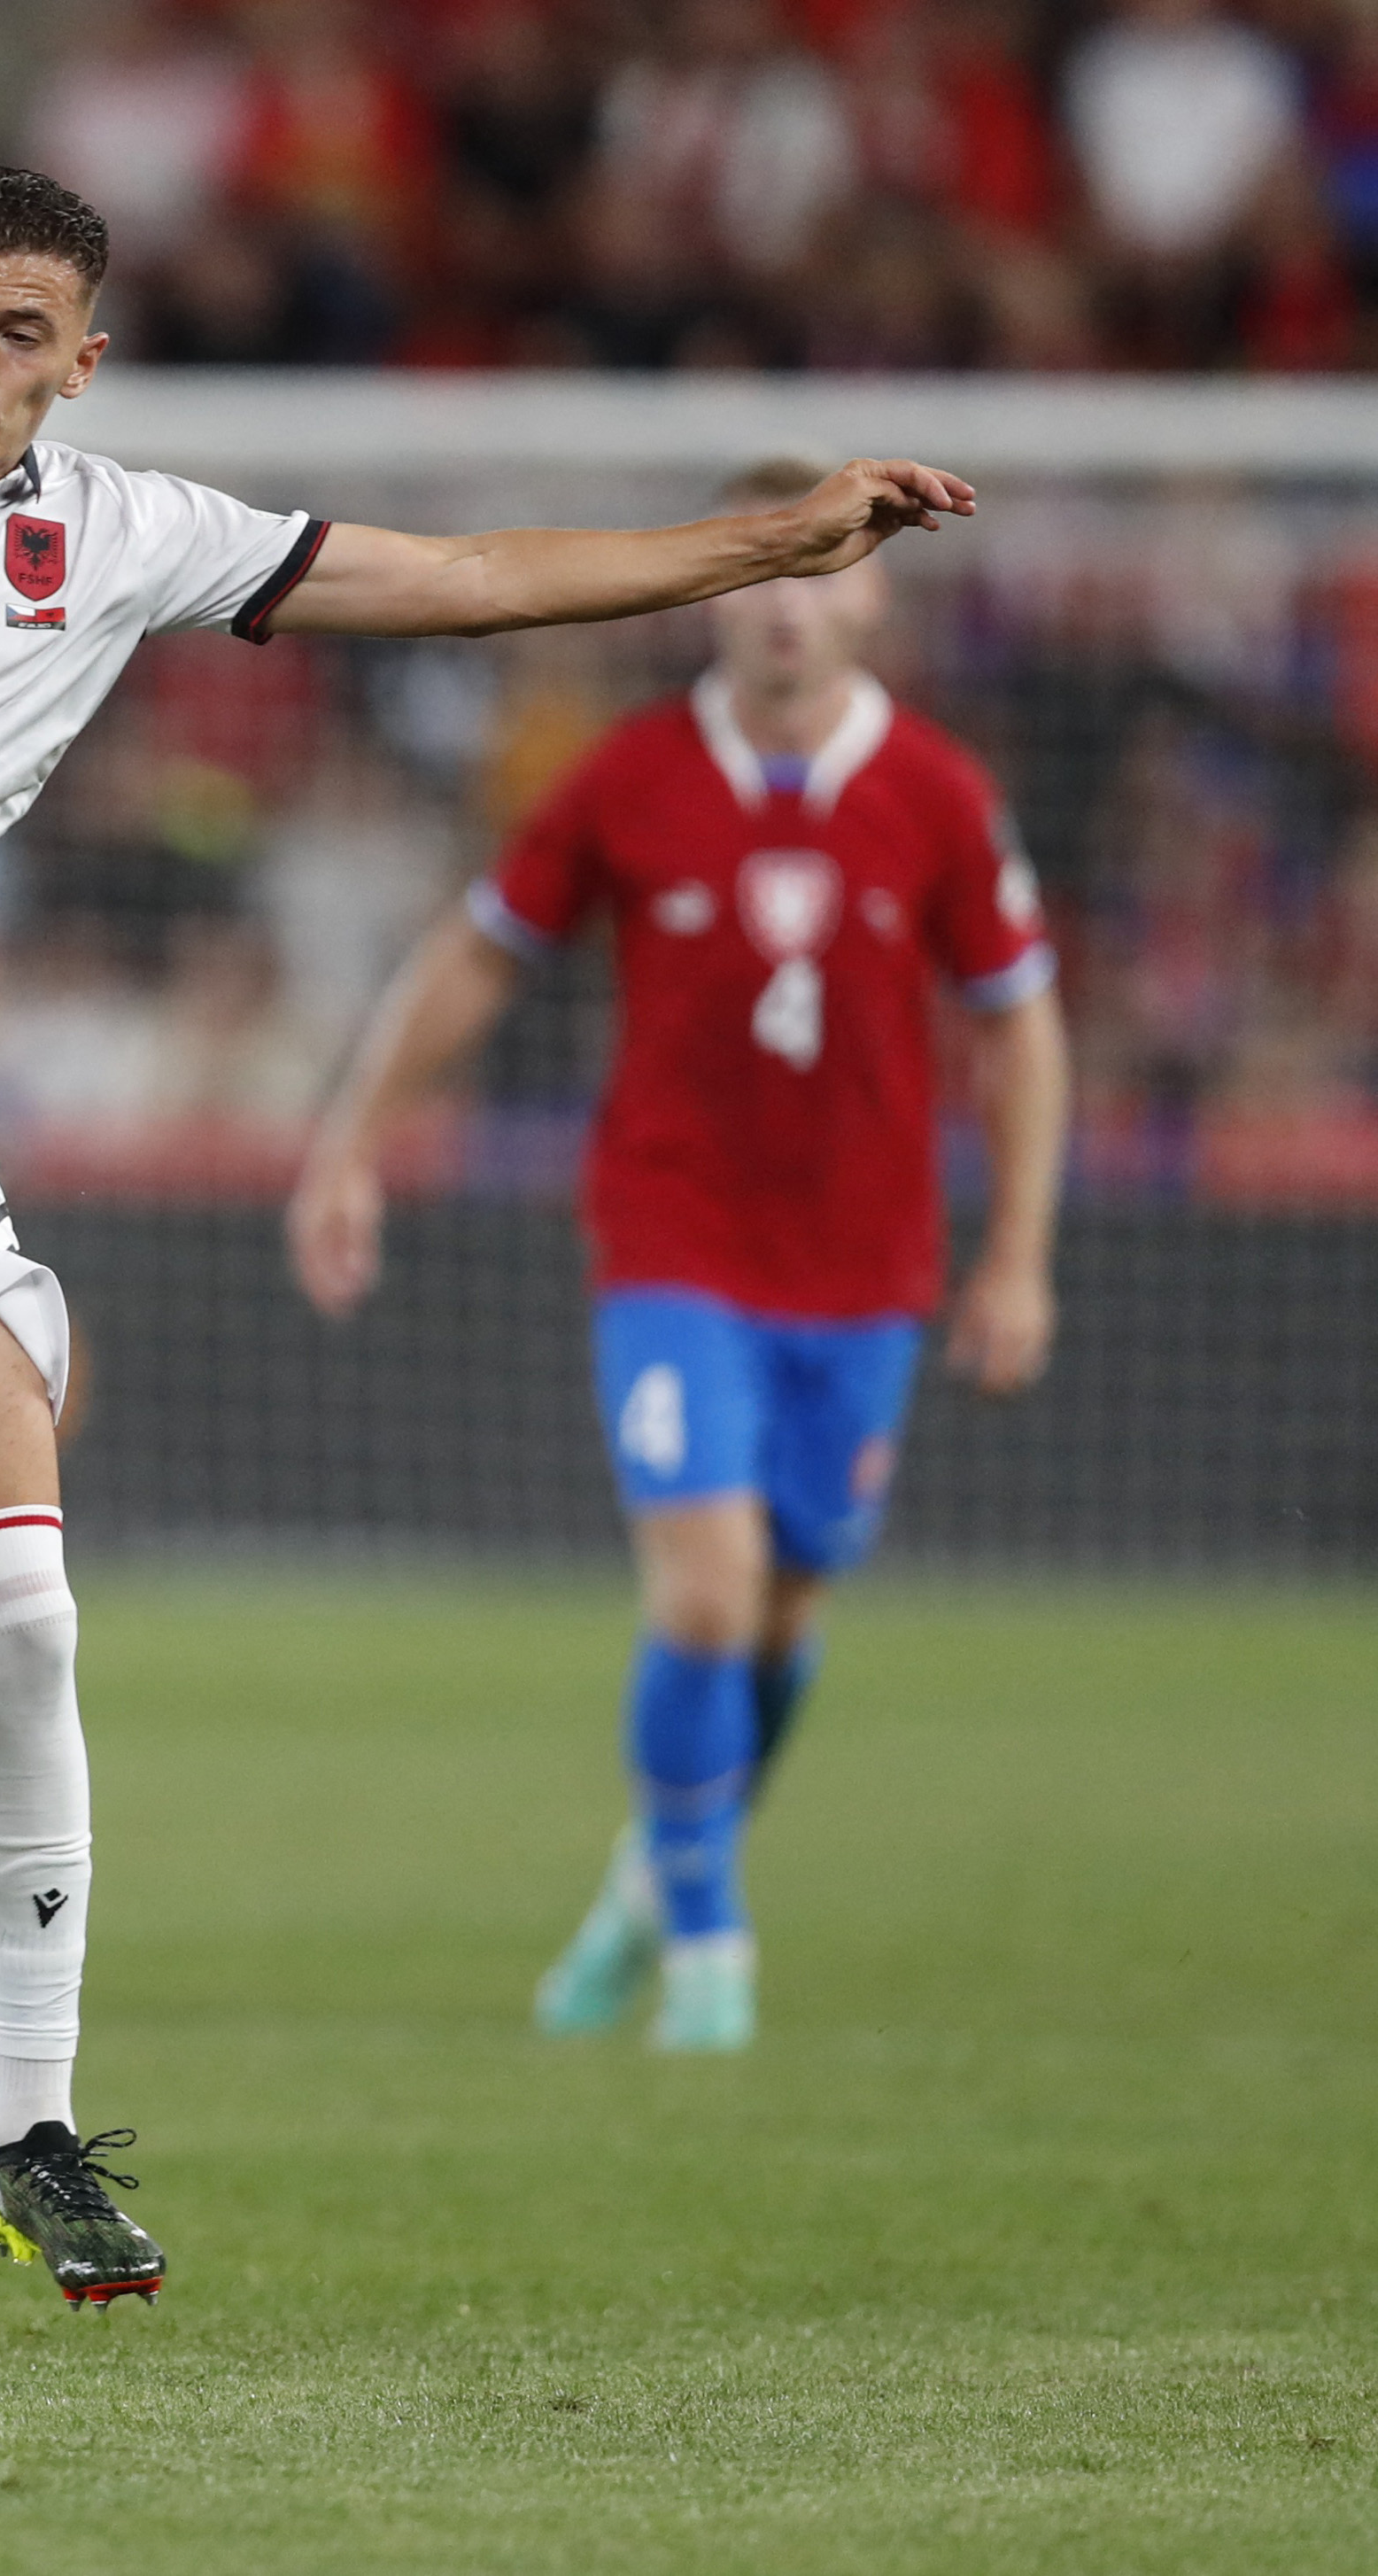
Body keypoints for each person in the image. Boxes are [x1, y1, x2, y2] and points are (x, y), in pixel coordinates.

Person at [0, 165, 977, 2301]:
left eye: (17, 335)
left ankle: (33, 2127)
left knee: (23, 1623)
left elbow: (482, 575)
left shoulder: (121, 533)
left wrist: (766, 541)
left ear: (80, 359)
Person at [289, 459, 1069, 2051]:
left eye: (824, 574)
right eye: (765, 573)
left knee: (781, 1623)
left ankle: (647, 1881)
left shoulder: (934, 794)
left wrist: (1022, 1254)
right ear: (719, 588)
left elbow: (1021, 1026)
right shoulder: (627, 781)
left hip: (865, 1269)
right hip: (671, 1243)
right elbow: (471, 959)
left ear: (871, 595)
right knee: (705, 1600)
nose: (789, 609)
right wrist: (351, 1141)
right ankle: (709, 1946)